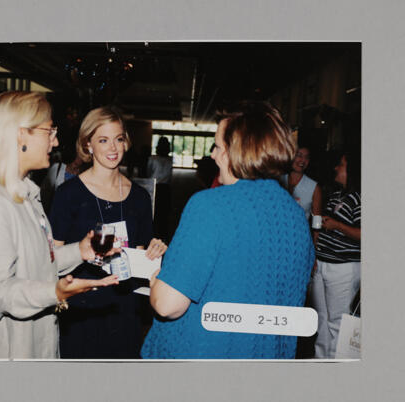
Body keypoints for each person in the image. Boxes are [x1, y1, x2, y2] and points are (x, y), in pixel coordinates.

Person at [0, 92, 119, 359]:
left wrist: (80, 251)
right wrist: (54, 291)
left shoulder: (24, 196)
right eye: (49, 131)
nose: (56, 141)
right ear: (20, 135)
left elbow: (34, 261)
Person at [141, 101, 315, 359]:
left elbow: (168, 305)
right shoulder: (296, 216)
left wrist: (156, 282)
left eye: (218, 147)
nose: (212, 155)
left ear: (237, 153)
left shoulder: (211, 205)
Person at [49, 106, 167, 359]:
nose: (112, 148)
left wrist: (155, 252)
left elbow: (141, 255)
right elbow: (51, 259)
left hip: (124, 311)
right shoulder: (68, 195)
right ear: (88, 145)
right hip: (80, 310)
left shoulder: (139, 197)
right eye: (103, 140)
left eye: (118, 139)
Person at [311, 151, 361, 359]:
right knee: (322, 319)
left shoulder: (360, 198)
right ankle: (320, 360)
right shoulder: (339, 195)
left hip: (342, 267)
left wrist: (337, 225)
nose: (336, 168)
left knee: (338, 323)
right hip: (324, 264)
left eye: (340, 165)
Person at [279, 145, 322, 218]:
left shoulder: (314, 188)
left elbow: (317, 221)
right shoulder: (279, 180)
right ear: (291, 157)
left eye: (306, 157)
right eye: (299, 155)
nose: (303, 160)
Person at [147, 136, 173, 241]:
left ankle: (153, 234)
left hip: (155, 187)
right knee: (164, 214)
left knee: (154, 213)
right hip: (166, 188)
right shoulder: (170, 160)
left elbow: (148, 173)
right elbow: (170, 176)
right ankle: (163, 236)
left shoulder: (152, 158)